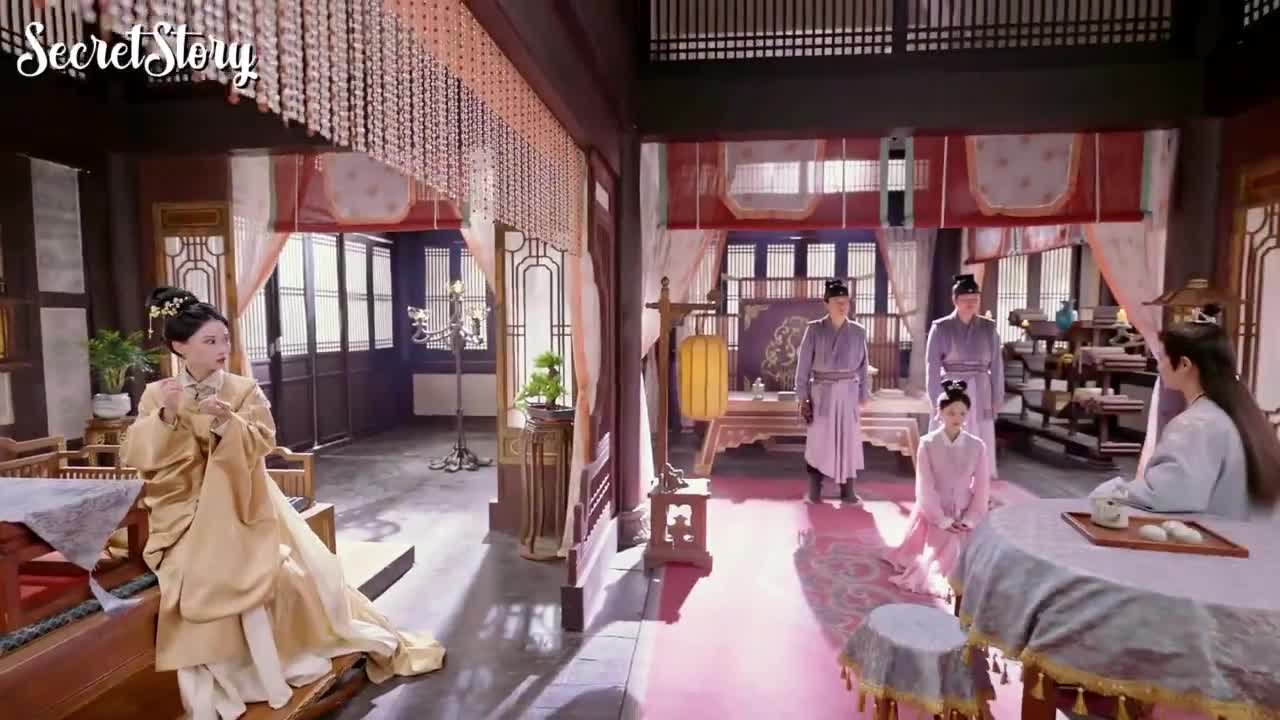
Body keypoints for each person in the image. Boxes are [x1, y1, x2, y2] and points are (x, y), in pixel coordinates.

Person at [122, 287, 445, 719]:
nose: (222, 348)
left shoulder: (241, 389)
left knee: (259, 573)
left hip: (241, 498)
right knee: (193, 574)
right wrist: (166, 415)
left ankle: (263, 672)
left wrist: (227, 422)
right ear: (179, 347)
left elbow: (264, 441)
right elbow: (139, 455)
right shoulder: (158, 393)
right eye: (210, 341)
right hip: (179, 503)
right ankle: (225, 675)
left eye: (225, 339)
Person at [1092, 306, 1280, 520]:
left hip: (1219, 536)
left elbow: (1166, 495)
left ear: (1184, 364)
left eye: (1162, 358)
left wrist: (1111, 491)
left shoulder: (1197, 424)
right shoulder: (1245, 417)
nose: (1159, 367)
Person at [883, 381, 991, 598]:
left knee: (972, 558)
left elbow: (981, 487)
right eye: (951, 413)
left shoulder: (977, 446)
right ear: (939, 413)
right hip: (933, 513)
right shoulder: (927, 443)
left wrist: (970, 519)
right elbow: (925, 486)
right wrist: (941, 519)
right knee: (944, 552)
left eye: (962, 413)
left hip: (965, 512)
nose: (957, 418)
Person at [795, 279, 871, 505]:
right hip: (822, 393)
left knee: (848, 441)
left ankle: (848, 490)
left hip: (848, 392)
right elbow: (803, 366)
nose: (842, 305)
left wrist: (863, 393)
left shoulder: (858, 331)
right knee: (818, 441)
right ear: (826, 303)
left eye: (845, 301)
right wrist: (802, 397)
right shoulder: (814, 329)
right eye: (837, 301)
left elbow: (863, 366)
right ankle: (814, 490)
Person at [925, 273, 1002, 484]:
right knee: (950, 432)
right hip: (951, 387)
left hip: (981, 387)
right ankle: (946, 482)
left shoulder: (989, 328)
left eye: (974, 299)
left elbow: (997, 365)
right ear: (955, 300)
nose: (970, 304)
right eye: (966, 299)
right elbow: (932, 367)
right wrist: (935, 399)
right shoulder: (941, 327)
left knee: (981, 436)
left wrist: (998, 396)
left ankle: (979, 485)